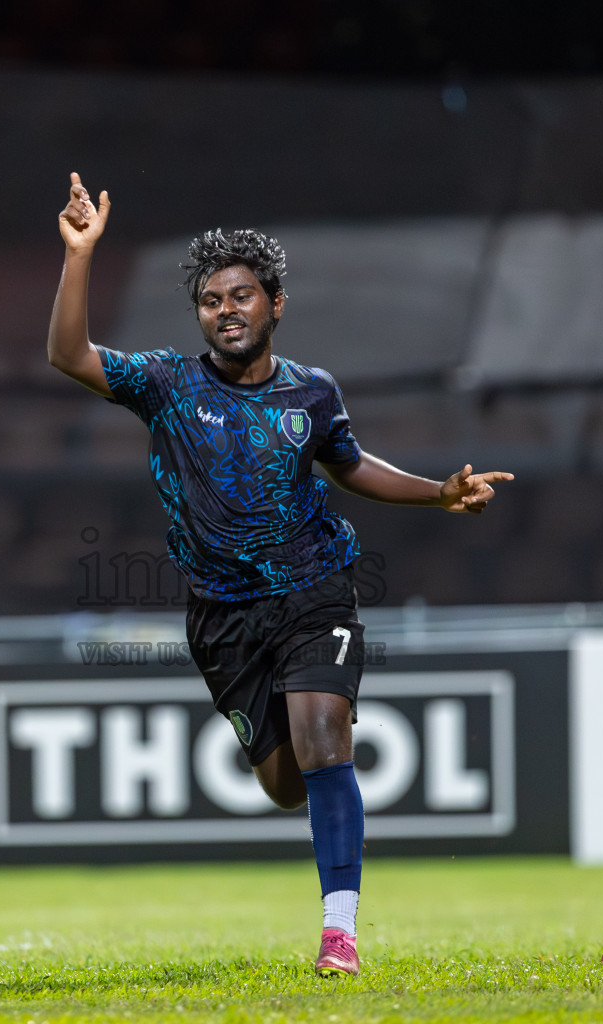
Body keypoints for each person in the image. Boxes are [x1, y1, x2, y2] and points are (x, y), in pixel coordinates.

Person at [47, 173, 512, 977]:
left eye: (241, 296)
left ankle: (340, 933)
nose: (226, 310)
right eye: (210, 300)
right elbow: (68, 355)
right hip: (223, 616)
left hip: (316, 587)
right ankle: (299, 768)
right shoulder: (166, 384)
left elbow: (349, 465)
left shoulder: (314, 390)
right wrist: (80, 255)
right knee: (285, 784)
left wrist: (437, 494)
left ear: (276, 305)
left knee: (326, 736)